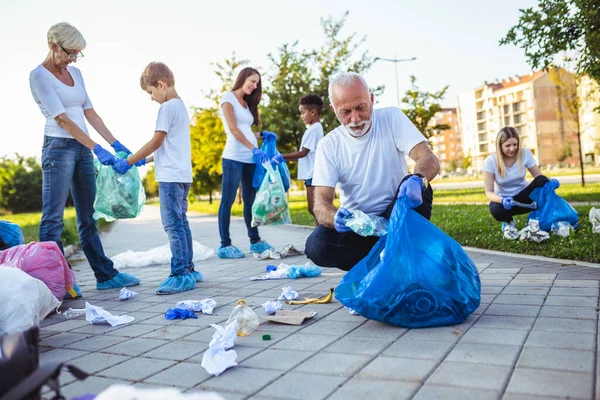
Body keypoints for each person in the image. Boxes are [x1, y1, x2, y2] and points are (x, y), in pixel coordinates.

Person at [29, 22, 140, 296]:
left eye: (78, 54)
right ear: (54, 45)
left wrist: (114, 144)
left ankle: (105, 274)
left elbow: (90, 113)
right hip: (58, 148)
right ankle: (52, 283)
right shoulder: (39, 76)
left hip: (81, 149)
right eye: (71, 52)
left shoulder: (76, 73)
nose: (74, 59)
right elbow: (63, 119)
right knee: (53, 217)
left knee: (89, 215)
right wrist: (97, 149)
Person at [304, 72, 440, 271]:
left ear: (372, 99)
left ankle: (398, 258)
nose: (355, 118)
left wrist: (418, 179)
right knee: (317, 246)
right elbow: (320, 204)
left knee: (420, 186)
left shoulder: (391, 118)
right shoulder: (329, 145)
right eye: (346, 112)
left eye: (361, 108)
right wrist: (334, 218)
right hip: (358, 225)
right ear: (334, 110)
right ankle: (373, 266)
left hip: (396, 215)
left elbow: (428, 158)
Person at [112, 62, 199, 295]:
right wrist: (146, 160)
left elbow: (156, 141)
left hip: (170, 177)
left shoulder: (167, 108)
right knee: (181, 222)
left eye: (151, 92)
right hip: (182, 174)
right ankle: (189, 269)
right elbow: (169, 147)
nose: (151, 98)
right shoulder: (180, 107)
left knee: (172, 225)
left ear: (161, 84)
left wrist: (129, 160)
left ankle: (180, 273)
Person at [216, 67, 275, 259]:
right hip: (233, 157)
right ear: (242, 78)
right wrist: (253, 148)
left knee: (250, 201)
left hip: (250, 158)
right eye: (252, 80)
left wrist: (261, 136)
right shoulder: (228, 99)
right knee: (228, 200)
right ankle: (225, 244)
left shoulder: (247, 103)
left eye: (257, 83)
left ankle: (255, 241)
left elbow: (245, 129)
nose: (254, 85)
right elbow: (233, 130)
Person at [483, 126, 556, 235]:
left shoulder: (524, 154)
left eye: (515, 144)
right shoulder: (491, 161)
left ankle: (542, 218)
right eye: (507, 145)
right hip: (506, 201)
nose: (512, 149)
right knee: (495, 208)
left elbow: (538, 176)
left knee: (542, 181)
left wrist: (550, 182)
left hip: (525, 197)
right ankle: (509, 222)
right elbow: (488, 192)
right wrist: (502, 200)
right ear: (500, 146)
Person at [271, 94, 324, 222]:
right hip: (311, 175)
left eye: (303, 112)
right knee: (314, 209)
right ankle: (322, 236)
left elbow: (303, 153)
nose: (301, 116)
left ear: (313, 112)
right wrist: (285, 159)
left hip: (313, 175)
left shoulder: (314, 129)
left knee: (314, 209)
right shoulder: (314, 129)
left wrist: (281, 156)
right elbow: (303, 156)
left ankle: (325, 235)